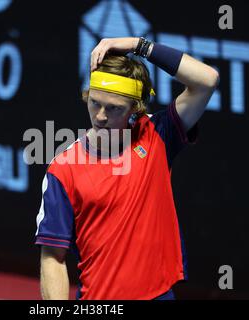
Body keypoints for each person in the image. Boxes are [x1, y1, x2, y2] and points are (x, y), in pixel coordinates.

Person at [34, 37, 219, 300]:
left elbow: (207, 80)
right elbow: (53, 258)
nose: (100, 116)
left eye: (113, 108)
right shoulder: (63, 169)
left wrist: (138, 45)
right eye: (94, 102)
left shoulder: (157, 136)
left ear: (135, 109)